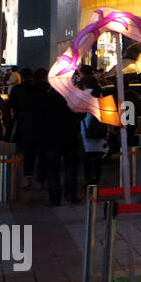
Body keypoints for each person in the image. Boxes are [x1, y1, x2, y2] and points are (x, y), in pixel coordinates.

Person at [40, 77, 82, 205]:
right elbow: (79, 115)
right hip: (69, 137)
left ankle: (55, 198)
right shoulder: (71, 98)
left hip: (51, 138)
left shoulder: (46, 99)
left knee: (53, 170)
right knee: (70, 168)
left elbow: (40, 119)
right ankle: (70, 195)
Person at [78, 66, 109, 188]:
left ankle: (88, 180)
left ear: (85, 84)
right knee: (97, 157)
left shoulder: (84, 95)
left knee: (87, 157)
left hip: (86, 127)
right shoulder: (100, 94)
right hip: (99, 127)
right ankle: (96, 179)